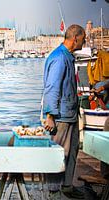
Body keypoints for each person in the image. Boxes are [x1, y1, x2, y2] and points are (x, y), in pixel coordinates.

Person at [42, 24, 86, 199]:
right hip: (61, 116)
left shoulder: (67, 56)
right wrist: (50, 116)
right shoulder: (60, 58)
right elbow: (52, 88)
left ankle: (67, 186)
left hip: (70, 114)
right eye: (84, 38)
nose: (85, 41)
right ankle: (53, 192)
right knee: (58, 154)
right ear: (75, 38)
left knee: (72, 151)